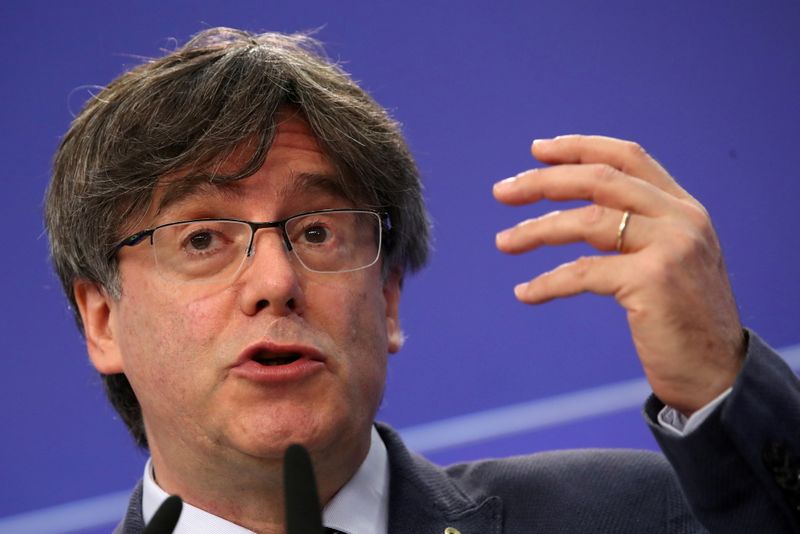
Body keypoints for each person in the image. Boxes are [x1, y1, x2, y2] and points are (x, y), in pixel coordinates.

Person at [44, 27, 800, 534]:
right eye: (203, 238)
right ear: (103, 321)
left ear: (389, 298)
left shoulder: (641, 515)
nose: (276, 280)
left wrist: (719, 383)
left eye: (318, 232)